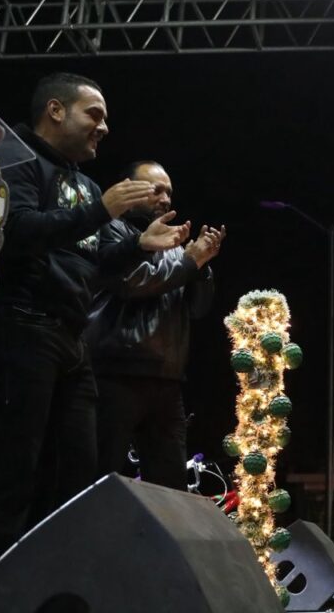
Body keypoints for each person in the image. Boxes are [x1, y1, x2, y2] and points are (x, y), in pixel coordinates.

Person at [0, 72, 187, 589]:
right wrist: (100, 211)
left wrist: (137, 245)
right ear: (56, 111)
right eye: (95, 114)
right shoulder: (14, 159)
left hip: (69, 341)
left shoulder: (85, 185)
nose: (104, 127)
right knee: (10, 477)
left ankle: (53, 594)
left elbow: (93, 266)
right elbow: (12, 231)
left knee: (74, 482)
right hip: (17, 328)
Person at [86, 160, 224, 489]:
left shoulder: (174, 244)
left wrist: (201, 268)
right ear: (129, 188)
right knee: (99, 477)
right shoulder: (112, 229)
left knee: (170, 485)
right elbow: (134, 282)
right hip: (115, 374)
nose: (165, 199)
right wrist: (189, 260)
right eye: (156, 189)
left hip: (166, 379)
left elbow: (198, 308)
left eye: (169, 193)